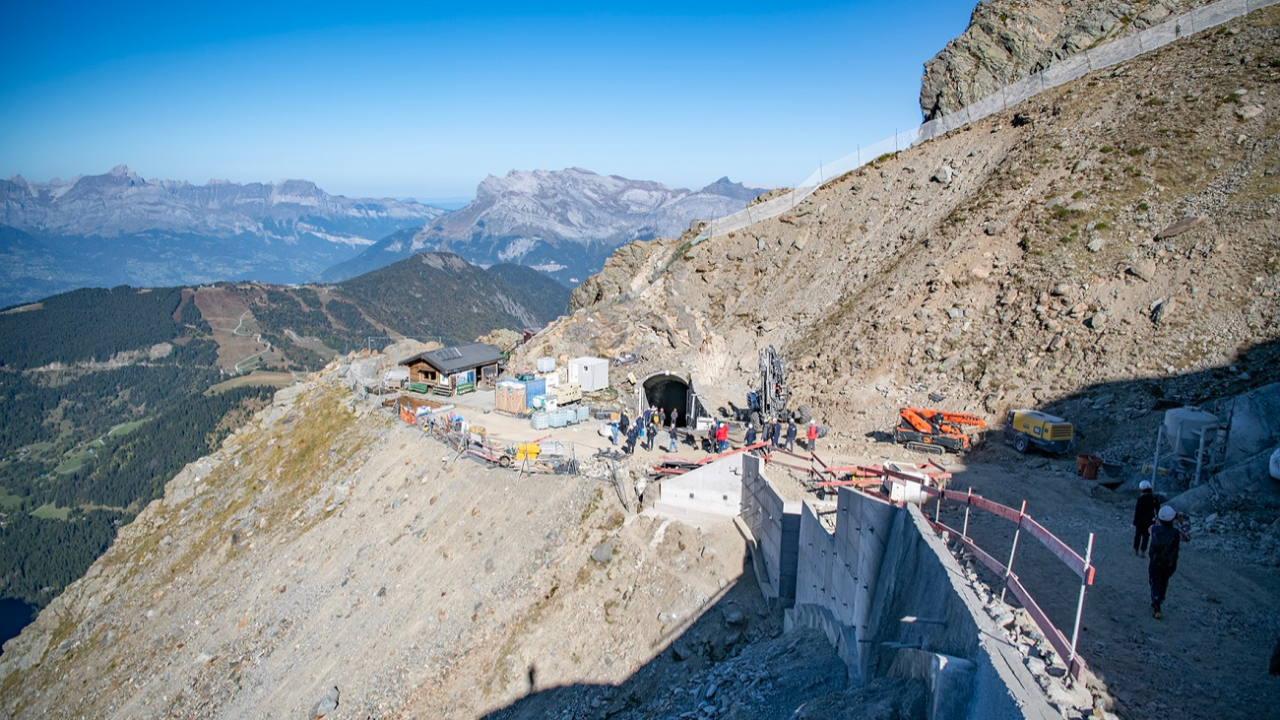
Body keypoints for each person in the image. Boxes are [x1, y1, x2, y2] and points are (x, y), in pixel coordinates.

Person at [1148, 505, 1187, 619]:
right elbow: (1187, 537)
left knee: (1154, 582)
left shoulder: (1154, 529)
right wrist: (1180, 523)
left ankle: (1156, 604)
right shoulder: (1176, 532)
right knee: (1164, 581)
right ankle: (1161, 598)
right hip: (1169, 563)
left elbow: (1151, 529)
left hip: (1155, 561)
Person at [1132, 480, 1158, 557]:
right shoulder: (1153, 498)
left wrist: (1135, 521)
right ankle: (1143, 550)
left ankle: (1135, 549)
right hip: (1149, 520)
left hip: (1140, 520)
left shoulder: (1141, 499)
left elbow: (1137, 510)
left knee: (1138, 535)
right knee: (1146, 536)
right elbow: (1157, 509)